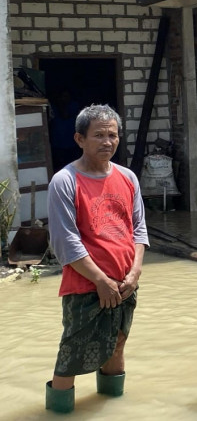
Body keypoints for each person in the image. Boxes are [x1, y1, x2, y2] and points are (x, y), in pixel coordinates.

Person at [45, 104, 149, 413]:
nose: (107, 142)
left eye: (113, 135)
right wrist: (100, 281)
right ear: (79, 139)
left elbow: (139, 228)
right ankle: (59, 413)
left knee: (117, 345)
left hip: (124, 283)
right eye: (99, 135)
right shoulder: (65, 182)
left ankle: (112, 409)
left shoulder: (128, 177)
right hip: (85, 286)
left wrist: (135, 271)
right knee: (71, 355)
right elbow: (66, 241)